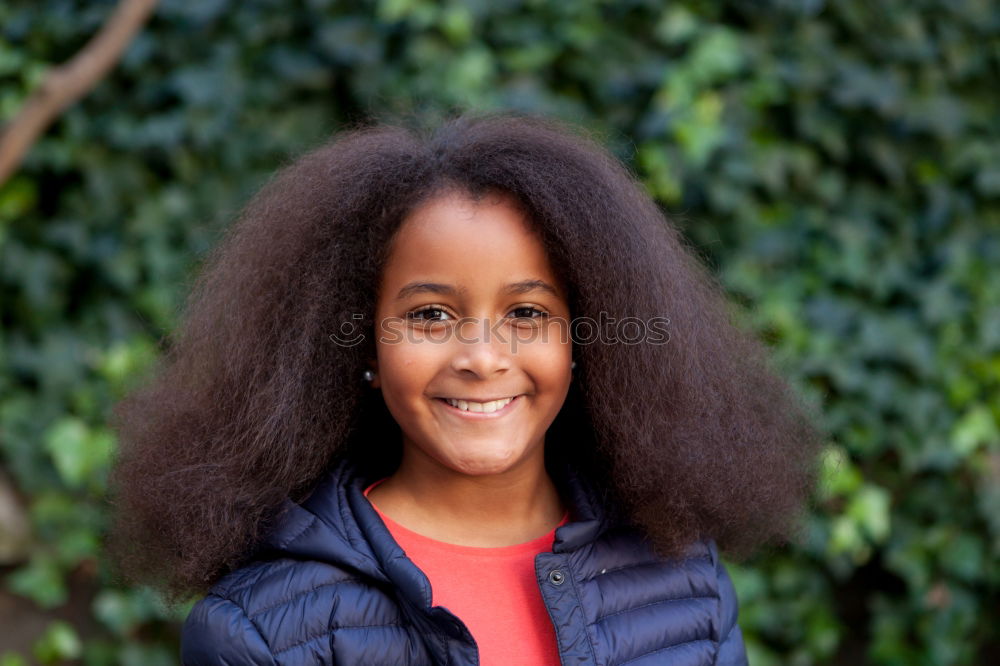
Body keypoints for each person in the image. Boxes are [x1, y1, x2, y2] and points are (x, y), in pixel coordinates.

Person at [108, 113, 822, 665]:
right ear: (361, 338)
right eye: (430, 316)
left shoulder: (683, 577)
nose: (482, 357)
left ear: (584, 339)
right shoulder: (263, 631)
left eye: (527, 314)